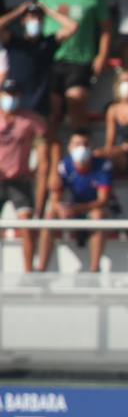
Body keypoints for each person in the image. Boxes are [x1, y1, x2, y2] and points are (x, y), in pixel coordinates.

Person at [36, 0, 112, 133]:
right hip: (52, 58)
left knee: (76, 102)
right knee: (51, 110)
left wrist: (102, 55)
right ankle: (53, 157)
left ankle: (81, 149)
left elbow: (106, 29)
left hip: (80, 58)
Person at [37, 128, 115, 273]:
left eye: (85, 144)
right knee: (50, 215)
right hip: (73, 209)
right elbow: (55, 199)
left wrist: (76, 209)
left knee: (98, 215)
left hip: (91, 208)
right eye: (77, 144)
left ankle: (94, 269)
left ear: (91, 146)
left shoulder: (103, 166)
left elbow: (102, 200)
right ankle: (41, 268)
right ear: (70, 147)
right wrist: (61, 208)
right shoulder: (64, 166)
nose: (81, 148)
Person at [0, 80, 47, 273]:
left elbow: (43, 151)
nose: (10, 98)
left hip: (19, 180)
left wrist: (40, 171)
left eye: (14, 94)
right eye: (7, 93)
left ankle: (28, 271)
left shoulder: (31, 121)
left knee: (26, 224)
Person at [0, 2, 78, 115]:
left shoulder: (48, 43)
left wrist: (48, 11)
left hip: (39, 104)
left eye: (39, 18)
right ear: (23, 21)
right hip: (14, 100)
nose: (36, 21)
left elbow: (73, 26)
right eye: (31, 17)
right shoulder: (14, 42)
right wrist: (18, 11)